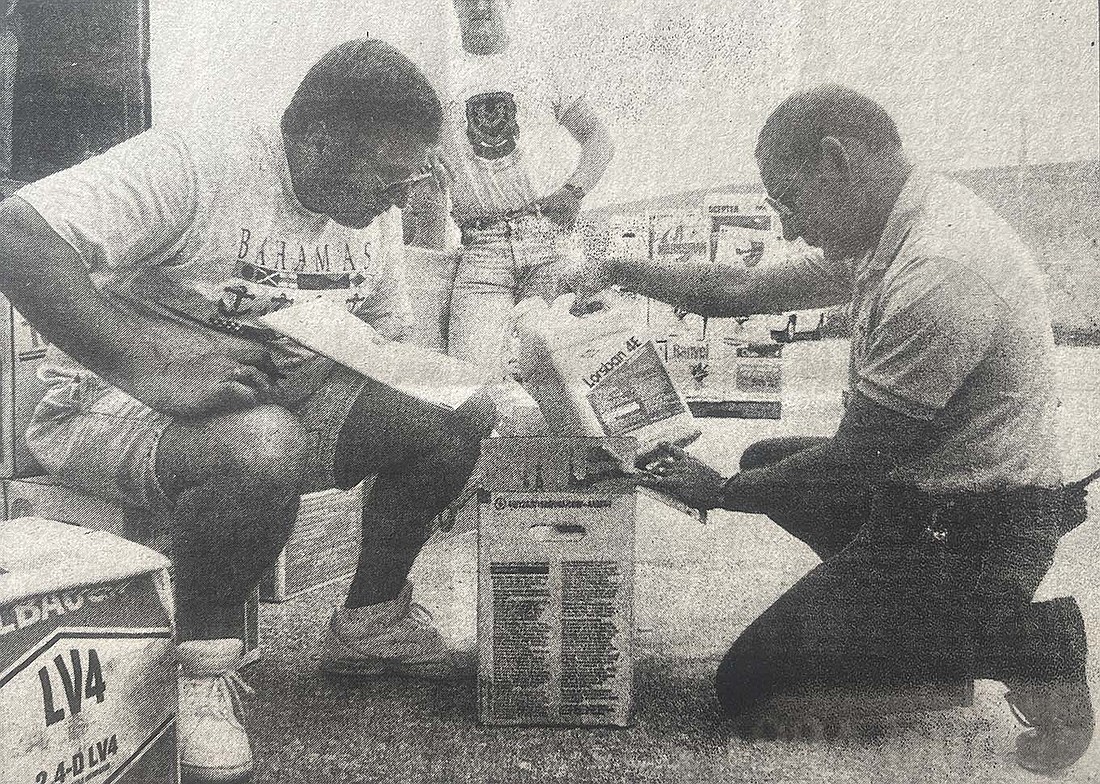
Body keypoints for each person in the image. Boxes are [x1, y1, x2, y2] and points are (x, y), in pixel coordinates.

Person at [0, 39, 495, 783]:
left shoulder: (372, 214)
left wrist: (369, 365)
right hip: (106, 406)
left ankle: (369, 620)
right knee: (264, 444)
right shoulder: (201, 161)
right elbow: (16, 231)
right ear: (317, 140)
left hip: (277, 403)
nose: (400, 198)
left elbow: (386, 342)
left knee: (456, 407)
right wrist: (151, 365)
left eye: (411, 178)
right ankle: (199, 671)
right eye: (389, 177)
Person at [586, 85, 1093, 774]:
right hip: (935, 499)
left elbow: (853, 462)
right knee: (774, 458)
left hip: (978, 528)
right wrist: (616, 269)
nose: (788, 226)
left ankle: (1020, 640)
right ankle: (906, 622)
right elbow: (740, 292)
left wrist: (722, 490)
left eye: (785, 199)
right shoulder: (891, 224)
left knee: (750, 692)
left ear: (835, 160)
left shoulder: (940, 267)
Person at [432, 0, 614, 392]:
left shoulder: (540, 65)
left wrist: (574, 190)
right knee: (468, 386)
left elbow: (599, 139)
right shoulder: (437, 76)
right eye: (468, 0)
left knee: (560, 372)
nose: (479, 6)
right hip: (481, 247)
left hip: (547, 237)